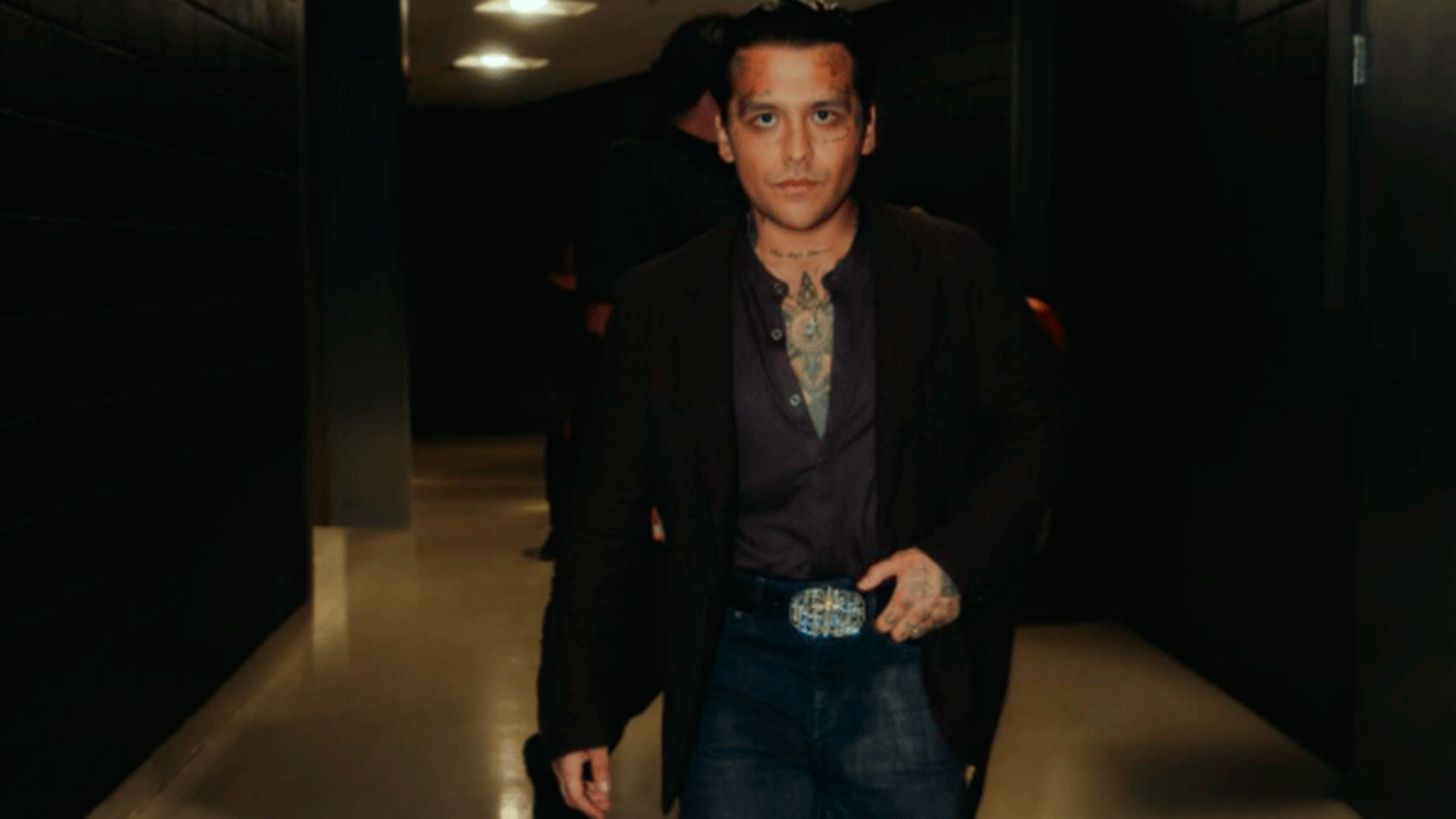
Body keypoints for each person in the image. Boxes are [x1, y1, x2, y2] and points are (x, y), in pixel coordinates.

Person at [540, 2, 1065, 817]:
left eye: (824, 115)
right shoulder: (663, 302)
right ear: (724, 135)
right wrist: (573, 706)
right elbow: (601, 514)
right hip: (732, 673)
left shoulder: (953, 269)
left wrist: (955, 556)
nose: (795, 151)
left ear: (867, 128)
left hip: (907, 660)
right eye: (764, 118)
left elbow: (1034, 434)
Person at [523, 13, 745, 818]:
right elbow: (606, 317)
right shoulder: (639, 165)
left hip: (739, 438)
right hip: (662, 438)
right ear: (713, 90)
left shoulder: (746, 173)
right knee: (641, 625)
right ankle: (566, 753)